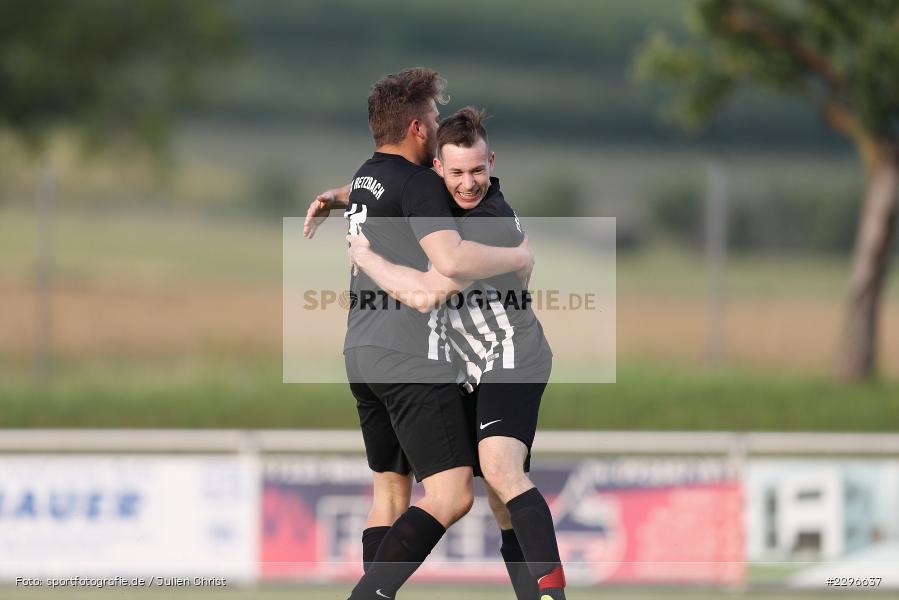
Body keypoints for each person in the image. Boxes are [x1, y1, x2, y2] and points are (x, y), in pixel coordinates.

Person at [304, 68, 534, 600]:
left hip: (359, 353)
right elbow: (451, 257)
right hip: (409, 353)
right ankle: (367, 596)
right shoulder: (423, 184)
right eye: (433, 117)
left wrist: (334, 197)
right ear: (415, 127)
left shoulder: (367, 176)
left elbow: (364, 193)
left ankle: (372, 591)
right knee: (453, 494)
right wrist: (519, 256)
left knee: (388, 491)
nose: (438, 124)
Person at [347, 107, 566, 600]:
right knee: (498, 498)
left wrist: (367, 257)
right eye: (458, 173)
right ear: (438, 171)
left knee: (502, 469)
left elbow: (425, 293)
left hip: (512, 353)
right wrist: (346, 197)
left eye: (479, 171)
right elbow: (399, 189)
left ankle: (554, 596)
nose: (470, 184)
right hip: (469, 368)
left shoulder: (487, 223)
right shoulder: (438, 204)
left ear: (492, 160)